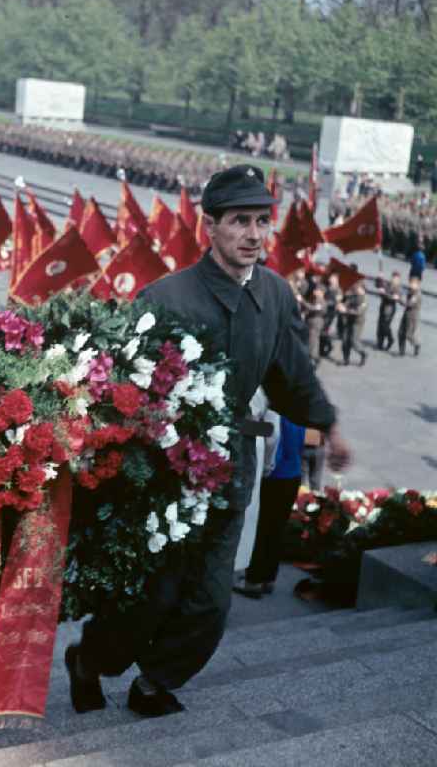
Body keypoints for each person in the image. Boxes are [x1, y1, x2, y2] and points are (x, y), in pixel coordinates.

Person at [65, 165, 350, 718]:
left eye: (261, 222)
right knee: (152, 593)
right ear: (210, 228)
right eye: (239, 221)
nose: (253, 234)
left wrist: (327, 423)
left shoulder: (274, 294)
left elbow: (292, 373)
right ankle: (91, 659)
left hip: (231, 467)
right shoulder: (164, 298)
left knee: (211, 599)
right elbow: (125, 388)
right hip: (164, 475)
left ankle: (154, 682)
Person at [234, 414, 306, 598]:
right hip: (293, 472)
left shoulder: (276, 408)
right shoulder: (299, 407)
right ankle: (269, 578)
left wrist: (266, 466)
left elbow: (272, 437)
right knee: (277, 528)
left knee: (262, 527)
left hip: (275, 474)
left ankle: (253, 580)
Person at [338, 281, 367, 366]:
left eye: (358, 288)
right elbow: (347, 302)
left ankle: (363, 353)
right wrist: (341, 305)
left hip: (357, 322)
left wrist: (346, 310)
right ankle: (346, 359)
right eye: (356, 288)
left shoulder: (364, 300)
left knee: (354, 341)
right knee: (345, 340)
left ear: (363, 289)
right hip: (349, 320)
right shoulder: (354, 296)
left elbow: (358, 312)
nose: (356, 290)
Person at [376, 271, 402, 351]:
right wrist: (379, 279)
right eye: (393, 277)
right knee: (380, 324)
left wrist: (385, 294)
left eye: (396, 278)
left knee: (385, 325)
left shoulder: (398, 288)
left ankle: (390, 339)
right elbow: (378, 286)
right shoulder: (388, 284)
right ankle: (380, 343)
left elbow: (396, 298)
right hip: (383, 305)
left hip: (389, 307)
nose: (394, 279)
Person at [397, 276, 422, 357]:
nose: (410, 285)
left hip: (412, 316)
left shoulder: (417, 294)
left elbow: (409, 304)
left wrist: (399, 299)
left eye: (413, 283)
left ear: (417, 285)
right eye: (410, 283)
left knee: (409, 334)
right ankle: (401, 351)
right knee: (401, 332)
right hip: (406, 314)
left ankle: (416, 344)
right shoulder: (411, 291)